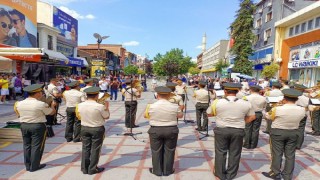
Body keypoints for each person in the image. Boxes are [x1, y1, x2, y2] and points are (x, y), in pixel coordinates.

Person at [207, 83, 256, 180]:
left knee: (220, 152)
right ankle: (231, 175)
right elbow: (252, 117)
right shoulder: (246, 102)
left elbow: (209, 114)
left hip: (221, 129)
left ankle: (220, 173)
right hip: (238, 130)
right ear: (237, 92)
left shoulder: (217, 102)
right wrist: (242, 121)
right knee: (235, 152)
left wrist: (220, 114)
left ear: (225, 91)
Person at [262, 89, 306, 180]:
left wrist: (276, 105)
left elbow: (268, 116)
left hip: (278, 132)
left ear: (284, 99)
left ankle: (275, 172)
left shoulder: (277, 109)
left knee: (277, 153)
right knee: (290, 155)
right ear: (296, 100)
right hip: (293, 132)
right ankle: (287, 175)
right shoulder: (302, 110)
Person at [14, 84, 56, 172]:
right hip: (38, 126)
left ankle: (28, 165)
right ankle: (35, 166)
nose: (41, 93)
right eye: (40, 92)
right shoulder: (40, 104)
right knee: (37, 146)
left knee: (26, 145)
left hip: (24, 125)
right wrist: (53, 105)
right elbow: (51, 113)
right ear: (36, 93)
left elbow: (18, 114)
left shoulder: (19, 103)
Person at [144, 86, 183, 176]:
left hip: (155, 129)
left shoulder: (151, 106)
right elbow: (180, 116)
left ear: (157, 95)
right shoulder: (174, 106)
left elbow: (145, 116)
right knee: (169, 150)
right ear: (169, 95)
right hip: (171, 129)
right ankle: (167, 171)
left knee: (156, 150)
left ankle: (157, 171)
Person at [75, 87, 110, 175]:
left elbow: (78, 116)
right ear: (97, 95)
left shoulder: (79, 105)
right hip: (97, 129)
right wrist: (107, 108)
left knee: (85, 148)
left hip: (84, 128)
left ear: (87, 95)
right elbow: (106, 116)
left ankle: (84, 168)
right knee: (95, 149)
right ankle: (92, 168)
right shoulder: (100, 106)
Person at [294, 84, 309, 149]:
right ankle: (298, 145)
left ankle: (292, 143)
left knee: (292, 128)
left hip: (294, 113)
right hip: (303, 113)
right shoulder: (307, 98)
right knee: (301, 129)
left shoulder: (294, 96)